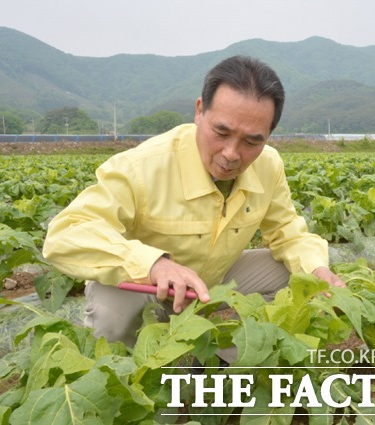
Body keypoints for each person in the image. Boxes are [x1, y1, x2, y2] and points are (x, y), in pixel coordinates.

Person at [43, 55, 344, 348]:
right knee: (112, 310)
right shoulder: (142, 167)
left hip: (215, 280)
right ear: (200, 111)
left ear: (268, 135)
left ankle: (234, 355)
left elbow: (287, 232)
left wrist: (317, 272)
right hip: (148, 287)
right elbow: (65, 233)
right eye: (221, 132)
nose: (231, 153)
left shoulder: (269, 166)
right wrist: (153, 264)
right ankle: (127, 377)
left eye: (252, 141)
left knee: (299, 276)